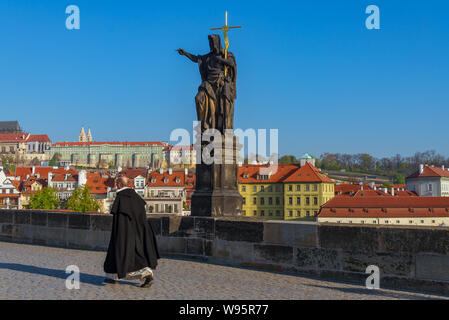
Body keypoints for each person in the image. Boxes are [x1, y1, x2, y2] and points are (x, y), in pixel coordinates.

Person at [103, 175, 160, 288]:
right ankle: (114, 276)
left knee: (128, 257)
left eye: (116, 183)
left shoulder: (121, 197)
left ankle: (147, 276)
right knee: (121, 255)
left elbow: (120, 221)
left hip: (125, 233)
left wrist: (119, 235)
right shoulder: (135, 196)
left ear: (118, 184)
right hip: (139, 231)